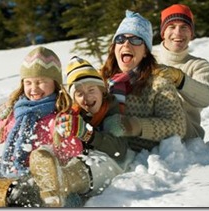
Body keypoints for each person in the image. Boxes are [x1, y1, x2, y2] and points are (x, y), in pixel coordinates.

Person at [0, 46, 84, 207]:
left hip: (34, 183)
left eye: (41, 82)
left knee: (21, 192)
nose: (34, 88)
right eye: (28, 82)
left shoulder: (60, 118)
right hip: (3, 172)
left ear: (55, 84)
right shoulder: (14, 115)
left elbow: (73, 154)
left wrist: (65, 135)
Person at [29, 56, 132, 207]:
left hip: (109, 164)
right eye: (79, 93)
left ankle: (61, 182)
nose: (87, 97)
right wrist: (61, 134)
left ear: (102, 91)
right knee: (55, 152)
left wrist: (87, 134)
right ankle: (47, 177)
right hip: (79, 166)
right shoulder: (75, 114)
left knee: (97, 161)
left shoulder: (113, 112)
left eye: (91, 90)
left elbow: (119, 150)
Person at [99, 10, 186, 152]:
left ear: (145, 51)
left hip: (139, 162)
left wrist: (134, 126)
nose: (126, 44)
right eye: (120, 39)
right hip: (102, 149)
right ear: (114, 47)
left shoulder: (159, 85)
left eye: (136, 40)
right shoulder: (100, 81)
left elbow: (178, 126)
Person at [152, 4, 209, 140]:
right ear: (163, 33)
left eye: (184, 27)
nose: (178, 33)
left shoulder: (199, 66)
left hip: (187, 135)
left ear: (191, 34)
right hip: (150, 129)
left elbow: (206, 98)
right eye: (172, 27)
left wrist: (180, 79)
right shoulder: (149, 59)